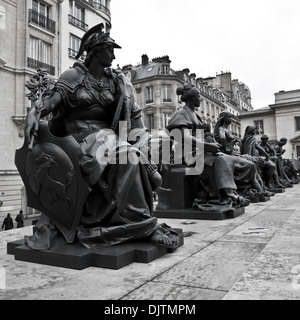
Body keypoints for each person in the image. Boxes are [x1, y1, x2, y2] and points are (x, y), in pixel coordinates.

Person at [24, 23, 180, 250]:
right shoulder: (74, 76)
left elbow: (133, 115)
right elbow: (50, 102)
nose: (114, 55)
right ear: (96, 51)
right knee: (127, 155)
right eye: (110, 50)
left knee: (144, 167)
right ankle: (144, 225)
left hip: (109, 139)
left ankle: (128, 220)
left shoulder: (114, 82)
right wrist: (33, 112)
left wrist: (143, 139)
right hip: (79, 139)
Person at [166, 83, 250, 209]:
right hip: (186, 154)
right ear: (192, 99)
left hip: (199, 150)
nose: (200, 99)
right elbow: (185, 137)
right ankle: (226, 195)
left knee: (229, 158)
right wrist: (207, 146)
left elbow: (200, 137)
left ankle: (229, 193)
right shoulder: (181, 114)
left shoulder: (196, 115)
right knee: (219, 159)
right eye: (199, 97)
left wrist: (210, 144)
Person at [214, 112, 266, 195]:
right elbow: (224, 146)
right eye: (229, 117)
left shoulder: (226, 129)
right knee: (251, 164)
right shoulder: (221, 129)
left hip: (233, 154)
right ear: (224, 118)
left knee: (254, 160)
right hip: (228, 156)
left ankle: (260, 188)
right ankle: (255, 188)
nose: (231, 119)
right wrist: (232, 143)